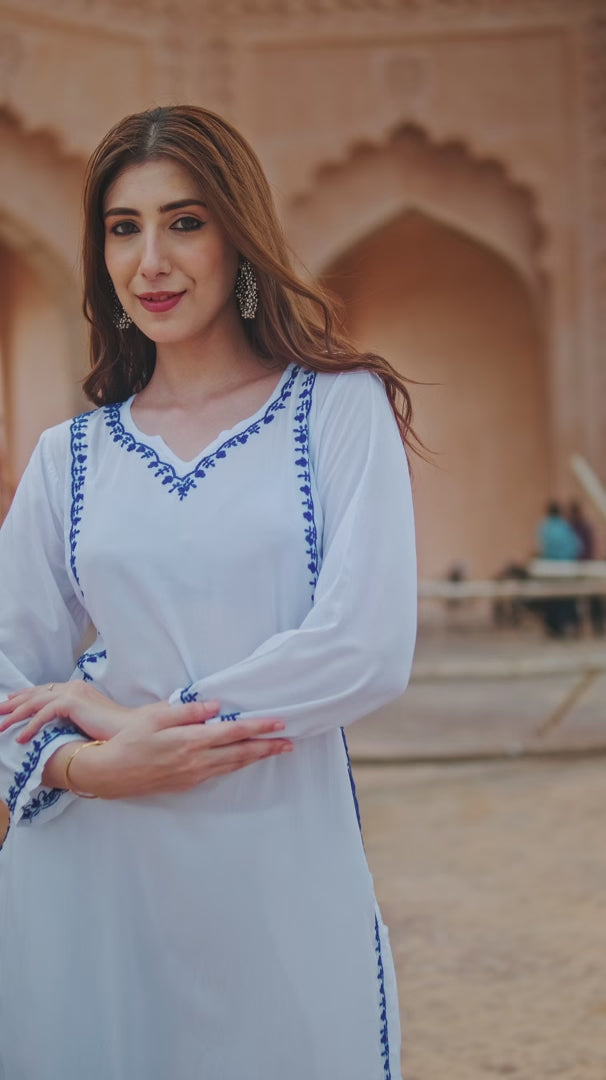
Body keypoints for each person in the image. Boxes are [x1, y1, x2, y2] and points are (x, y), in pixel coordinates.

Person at [0, 106, 417, 1080]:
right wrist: (83, 767)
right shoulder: (73, 457)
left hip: (274, 865)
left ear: (239, 233)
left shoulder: (339, 409)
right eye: (123, 226)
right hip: (87, 878)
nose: (151, 259)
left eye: (184, 222)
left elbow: (363, 648)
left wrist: (135, 723)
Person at [536, 500, 581, 637]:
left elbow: (542, 548)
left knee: (552, 600)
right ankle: (568, 624)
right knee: (566, 599)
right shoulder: (564, 526)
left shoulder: (545, 527)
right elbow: (576, 546)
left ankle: (554, 627)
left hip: (550, 569)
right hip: (566, 568)